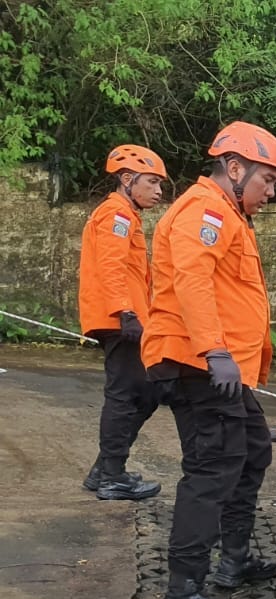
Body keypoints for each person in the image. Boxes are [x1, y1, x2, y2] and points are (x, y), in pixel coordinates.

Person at [143, 121, 276, 599]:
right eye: (267, 180)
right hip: (197, 364)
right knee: (211, 470)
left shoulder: (228, 215)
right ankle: (183, 596)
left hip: (221, 369)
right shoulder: (203, 211)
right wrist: (215, 351)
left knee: (252, 451)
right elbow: (192, 279)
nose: (270, 192)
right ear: (234, 168)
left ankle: (234, 559)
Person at [79, 144, 167, 501]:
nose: (159, 191)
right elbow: (110, 266)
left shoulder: (126, 215)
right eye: (152, 182)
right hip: (120, 320)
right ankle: (112, 475)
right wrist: (125, 312)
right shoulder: (116, 214)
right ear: (127, 179)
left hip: (127, 318)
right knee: (125, 396)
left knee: (146, 393)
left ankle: (105, 470)